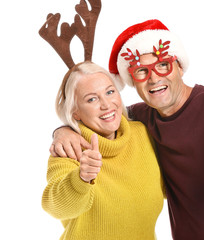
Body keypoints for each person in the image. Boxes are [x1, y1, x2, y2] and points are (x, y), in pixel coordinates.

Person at [51, 19, 204, 239]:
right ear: (132, 81)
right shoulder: (143, 118)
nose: (154, 78)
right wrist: (65, 130)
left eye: (163, 65)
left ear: (180, 67)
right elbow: (104, 116)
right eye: (141, 72)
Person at [42, 61, 164, 240]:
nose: (107, 105)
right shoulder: (69, 150)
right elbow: (55, 207)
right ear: (75, 112)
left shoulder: (142, 134)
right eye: (92, 99)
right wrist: (81, 178)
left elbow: (175, 185)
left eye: (110, 91)